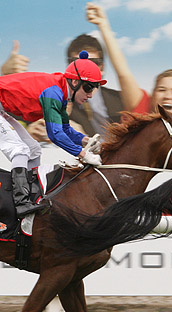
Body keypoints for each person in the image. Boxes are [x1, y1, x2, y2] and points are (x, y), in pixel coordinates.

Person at [86, 3, 172, 146]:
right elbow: (123, 73)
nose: (167, 95)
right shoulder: (141, 111)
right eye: (161, 90)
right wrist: (104, 26)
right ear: (153, 96)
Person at [0, 51, 105, 216]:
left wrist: (85, 140)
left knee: (34, 149)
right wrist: (82, 154)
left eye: (94, 88)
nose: (90, 94)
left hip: (2, 109)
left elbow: (65, 129)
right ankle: (21, 203)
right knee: (19, 150)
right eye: (88, 87)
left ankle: (32, 197)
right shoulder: (54, 92)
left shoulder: (61, 92)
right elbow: (55, 135)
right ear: (75, 81)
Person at [1, 35, 123, 141]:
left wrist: (84, 138)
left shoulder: (121, 100)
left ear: (101, 67)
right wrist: (4, 74)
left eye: (92, 63)